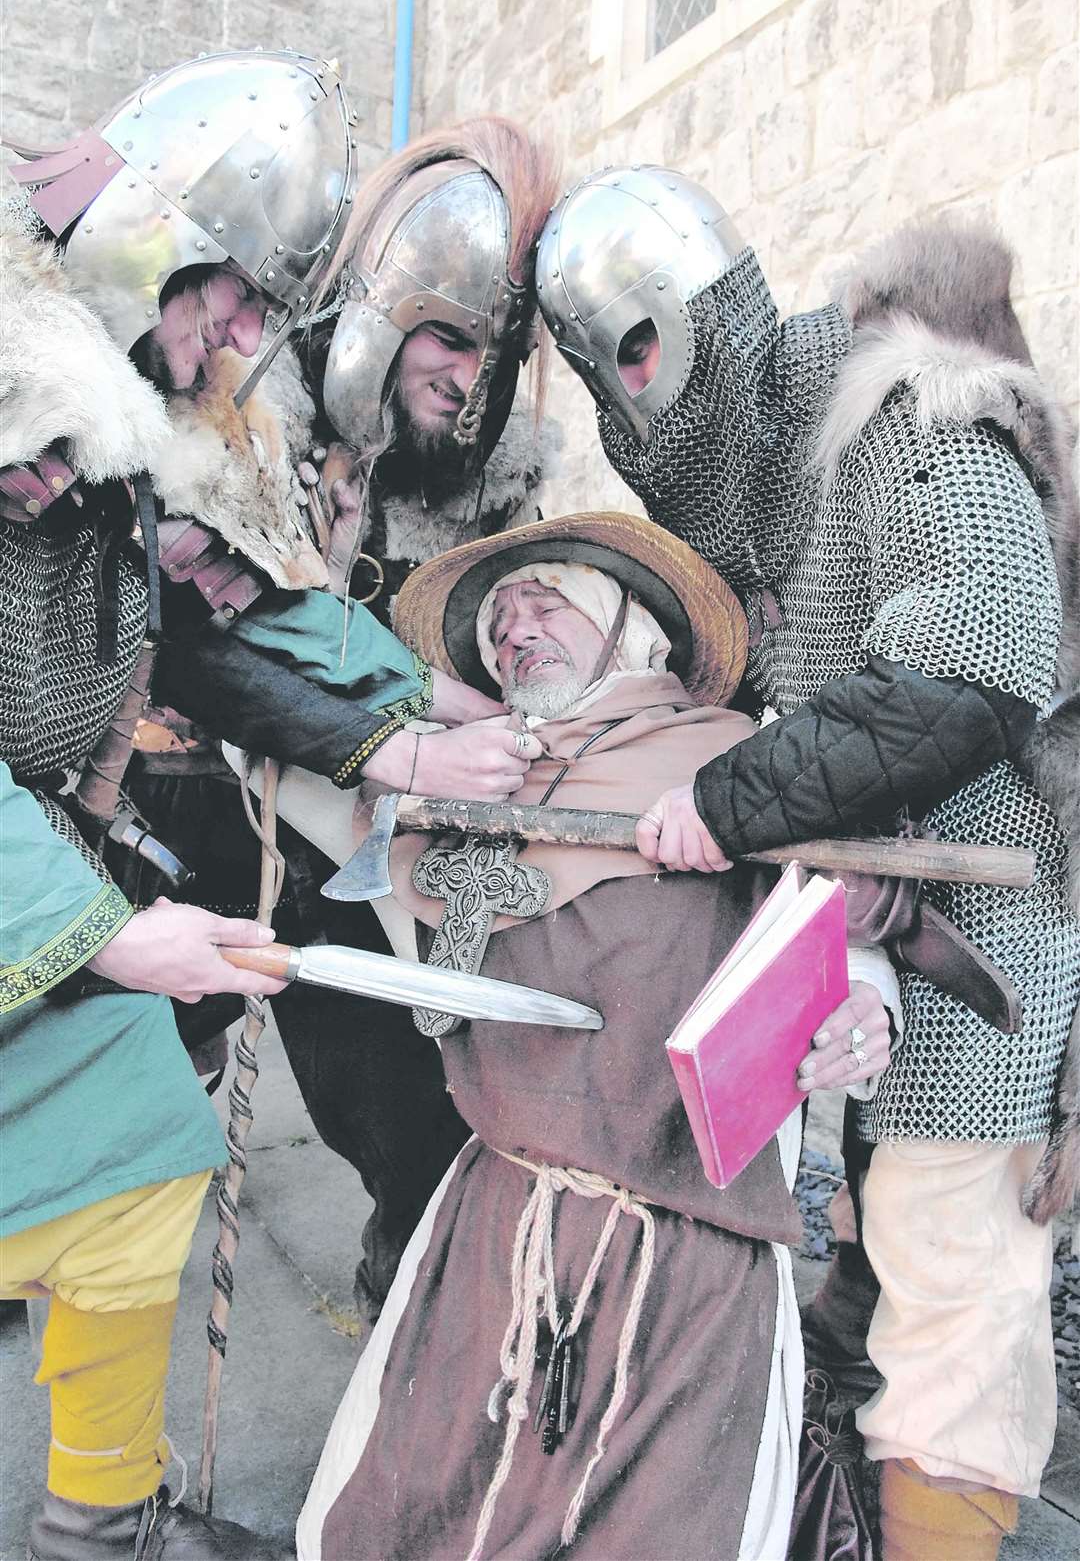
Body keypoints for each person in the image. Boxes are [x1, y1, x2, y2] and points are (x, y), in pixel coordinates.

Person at [0, 49, 512, 1561]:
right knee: (109, 1120)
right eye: (225, 296)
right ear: (154, 234)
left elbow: (229, 630)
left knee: (127, 1135)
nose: (236, 339)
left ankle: (100, 1516)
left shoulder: (115, 444)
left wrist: (417, 726)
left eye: (252, 314)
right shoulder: (19, 404)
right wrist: (105, 934)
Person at [536, 169, 1080, 1561]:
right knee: (878, 1260)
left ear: (712, 311)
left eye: (645, 342)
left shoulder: (908, 405)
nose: (636, 386)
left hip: (1009, 923)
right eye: (607, 371)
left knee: (955, 1286)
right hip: (899, 923)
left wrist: (737, 798)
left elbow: (984, 652)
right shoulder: (765, 477)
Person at [297, 512, 899, 1560]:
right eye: (494, 622)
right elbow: (293, 759)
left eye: (545, 595)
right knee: (421, 1516)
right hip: (492, 1217)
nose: (510, 627)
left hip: (686, 1247)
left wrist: (864, 1002)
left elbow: (851, 921)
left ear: (638, 628)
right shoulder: (463, 784)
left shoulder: (739, 763)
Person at [151, 117, 561, 1319]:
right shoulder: (240, 406)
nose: (467, 373)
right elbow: (207, 647)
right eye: (448, 332)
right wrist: (404, 739)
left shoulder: (485, 470)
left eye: (497, 349)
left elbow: (380, 638)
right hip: (189, 806)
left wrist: (478, 713)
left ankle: (410, 1292)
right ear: (386, 307)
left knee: (412, 1113)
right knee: (114, 1096)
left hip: (367, 857)